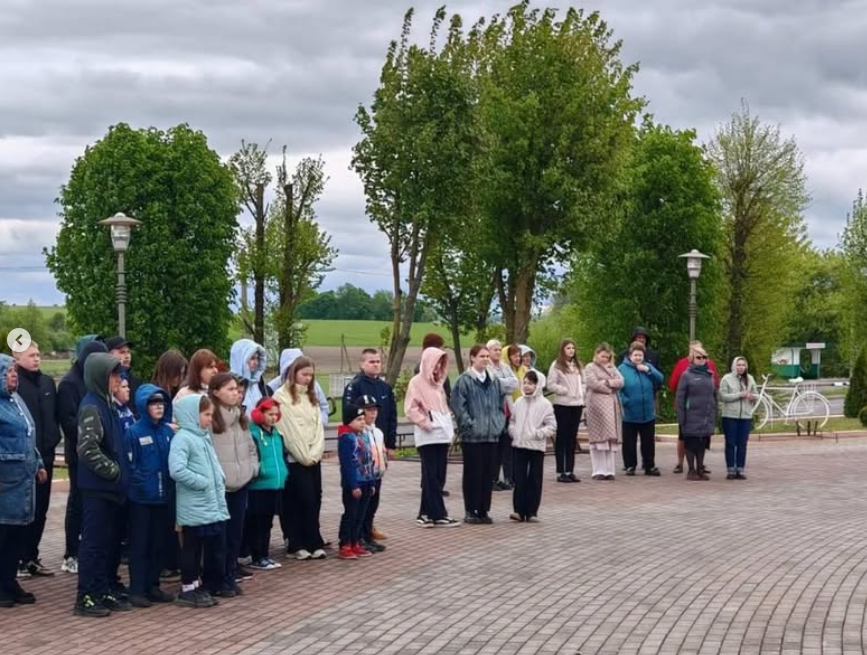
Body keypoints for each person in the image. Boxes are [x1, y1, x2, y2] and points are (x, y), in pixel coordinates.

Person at [74, 352, 131, 617]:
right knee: (93, 544)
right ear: (99, 376)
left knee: (107, 544)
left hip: (110, 490)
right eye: (112, 374)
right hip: (98, 489)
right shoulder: (91, 406)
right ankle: (86, 596)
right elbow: (87, 449)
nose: (118, 379)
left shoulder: (106, 404)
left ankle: (102, 588)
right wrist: (114, 472)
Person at [168, 394, 229, 609]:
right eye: (206, 414)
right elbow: (176, 469)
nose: (210, 419)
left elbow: (213, 463)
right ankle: (187, 587)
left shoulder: (202, 436)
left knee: (202, 547)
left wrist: (219, 478)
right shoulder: (183, 438)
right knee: (191, 547)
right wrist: (201, 482)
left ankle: (196, 584)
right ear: (192, 415)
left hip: (207, 503)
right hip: (194, 504)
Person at [122, 384, 177, 607]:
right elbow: (129, 464)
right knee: (140, 545)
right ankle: (137, 588)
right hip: (141, 500)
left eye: (161, 403)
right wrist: (140, 486)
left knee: (158, 544)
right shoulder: (134, 432)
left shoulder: (166, 432)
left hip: (163, 498)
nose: (159, 407)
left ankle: (153, 585)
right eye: (153, 403)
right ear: (144, 406)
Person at [57, 338, 108, 574]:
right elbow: (67, 420)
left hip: (96, 450)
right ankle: (71, 552)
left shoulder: (93, 381)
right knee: (77, 503)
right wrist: (90, 438)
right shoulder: (69, 383)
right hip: (79, 454)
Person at [0, 354, 47, 608]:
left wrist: (38, 464)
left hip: (22, 483)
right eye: (8, 372)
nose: (13, 375)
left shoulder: (16, 401)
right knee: (3, 534)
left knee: (17, 535)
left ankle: (9, 582)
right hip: (4, 484)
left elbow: (29, 435)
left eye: (14, 371)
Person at [12, 342, 59, 578]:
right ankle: (18, 558)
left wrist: (52, 441)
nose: (37, 359)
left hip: (46, 456)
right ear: (17, 357)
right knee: (23, 511)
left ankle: (31, 556)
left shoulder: (47, 383)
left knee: (41, 509)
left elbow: (54, 416)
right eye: (31, 355)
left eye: (39, 354)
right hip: (24, 460)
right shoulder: (15, 385)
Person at [208, 372, 259, 596]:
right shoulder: (211, 419)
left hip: (241, 484)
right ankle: (215, 579)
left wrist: (252, 469)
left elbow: (250, 447)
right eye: (230, 389)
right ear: (216, 392)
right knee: (219, 536)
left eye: (237, 390)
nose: (236, 393)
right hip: (221, 486)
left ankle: (229, 575)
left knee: (235, 535)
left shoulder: (240, 417)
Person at [274, 356, 327, 560]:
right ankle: (296, 543)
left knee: (315, 499)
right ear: (294, 373)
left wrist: (316, 452)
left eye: (311, 375)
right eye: (304, 374)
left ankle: (314, 540)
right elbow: (289, 431)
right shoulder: (282, 397)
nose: (307, 379)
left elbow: (317, 426)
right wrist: (305, 455)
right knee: (298, 500)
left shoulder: (310, 397)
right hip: (296, 459)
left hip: (313, 457)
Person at [451, 344, 506, 525]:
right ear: (473, 358)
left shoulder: (495, 381)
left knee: (488, 473)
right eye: (481, 356)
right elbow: (459, 406)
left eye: (486, 356)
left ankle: (484, 509)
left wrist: (498, 423)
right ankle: (470, 509)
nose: (485, 359)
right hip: (473, 437)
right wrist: (470, 425)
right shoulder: (464, 380)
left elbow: (500, 405)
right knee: (473, 473)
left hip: (491, 435)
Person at [405, 347, 458, 528]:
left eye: (441, 364)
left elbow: (443, 407)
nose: (437, 367)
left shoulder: (439, 384)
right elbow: (410, 408)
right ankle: (438, 513)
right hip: (428, 436)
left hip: (441, 436)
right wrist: (426, 423)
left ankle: (425, 513)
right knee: (431, 476)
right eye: (435, 363)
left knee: (438, 475)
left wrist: (447, 424)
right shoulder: (416, 382)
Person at [246, 398, 288, 570]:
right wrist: (260, 470)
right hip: (259, 486)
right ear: (259, 414)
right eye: (269, 414)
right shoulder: (253, 434)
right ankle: (257, 556)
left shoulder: (277, 434)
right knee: (257, 522)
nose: (273, 417)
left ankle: (264, 554)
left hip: (275, 485)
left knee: (268, 522)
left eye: (275, 414)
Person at [509, 370, 556, 523]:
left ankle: (532, 511)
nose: (527, 386)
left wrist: (537, 433)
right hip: (520, 445)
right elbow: (513, 421)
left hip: (536, 446)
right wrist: (514, 432)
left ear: (538, 385)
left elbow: (551, 426)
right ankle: (518, 510)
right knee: (520, 478)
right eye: (525, 383)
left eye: (531, 383)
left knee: (535, 478)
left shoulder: (545, 404)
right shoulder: (518, 402)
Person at [669, 341, 720, 474]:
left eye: (704, 357)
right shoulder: (686, 374)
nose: (702, 360)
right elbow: (679, 394)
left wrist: (713, 412)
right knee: (689, 441)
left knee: (702, 442)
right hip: (690, 415)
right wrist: (682, 416)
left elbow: (715, 392)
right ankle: (689, 469)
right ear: (691, 358)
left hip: (705, 415)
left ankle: (700, 469)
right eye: (698, 357)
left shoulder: (709, 374)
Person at [618, 342, 664, 476]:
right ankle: (630, 465)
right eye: (635, 355)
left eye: (640, 355)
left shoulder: (647, 366)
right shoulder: (622, 369)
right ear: (630, 355)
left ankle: (649, 466)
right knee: (629, 442)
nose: (638, 357)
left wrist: (648, 370)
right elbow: (618, 390)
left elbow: (660, 379)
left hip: (647, 412)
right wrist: (626, 401)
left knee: (648, 442)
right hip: (630, 412)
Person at [336, 403, 376, 560]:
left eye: (362, 419)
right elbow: (348, 464)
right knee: (351, 514)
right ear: (349, 422)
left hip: (366, 480)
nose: (362, 422)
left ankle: (355, 542)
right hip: (354, 483)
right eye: (358, 419)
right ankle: (345, 543)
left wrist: (372, 481)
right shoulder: (347, 438)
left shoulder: (364, 435)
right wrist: (353, 485)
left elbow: (369, 460)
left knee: (361, 514)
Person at [343, 349, 398, 454]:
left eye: (378, 362)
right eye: (372, 362)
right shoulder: (354, 387)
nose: (376, 365)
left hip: (381, 442)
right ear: (362, 365)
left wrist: (391, 444)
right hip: (361, 444)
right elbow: (349, 418)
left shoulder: (386, 388)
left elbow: (392, 417)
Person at [546, 339, 585, 483]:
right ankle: (560, 471)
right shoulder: (556, 365)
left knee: (571, 438)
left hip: (577, 404)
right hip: (563, 405)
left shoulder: (578, 365)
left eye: (573, 348)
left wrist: (582, 392)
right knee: (562, 437)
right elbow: (550, 384)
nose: (571, 351)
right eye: (568, 348)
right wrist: (563, 390)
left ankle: (570, 470)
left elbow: (584, 382)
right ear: (563, 349)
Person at [584, 343, 625, 481]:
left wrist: (607, 382)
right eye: (602, 356)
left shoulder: (612, 367)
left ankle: (609, 470)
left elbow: (621, 381)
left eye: (607, 357)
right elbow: (592, 383)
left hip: (611, 406)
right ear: (596, 355)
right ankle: (598, 470)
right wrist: (610, 387)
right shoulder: (590, 367)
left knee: (609, 437)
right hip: (596, 405)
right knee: (598, 438)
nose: (605, 359)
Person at [487, 339, 519, 491]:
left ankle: (504, 478)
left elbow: (515, 383)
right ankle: (492, 478)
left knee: (505, 446)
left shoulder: (505, 366)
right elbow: (491, 383)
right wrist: (504, 384)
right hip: (494, 412)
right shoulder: (486, 367)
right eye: (495, 350)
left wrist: (501, 384)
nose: (498, 352)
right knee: (494, 447)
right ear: (488, 351)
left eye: (500, 350)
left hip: (507, 410)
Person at [268, 349, 330, 425]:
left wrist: (320, 423)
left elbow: (323, 407)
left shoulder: (313, 385)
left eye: (310, 375)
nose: (308, 378)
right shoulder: (274, 387)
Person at [720, 356, 758, 480]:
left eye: (743, 365)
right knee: (730, 443)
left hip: (745, 416)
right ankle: (730, 469)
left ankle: (740, 469)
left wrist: (752, 397)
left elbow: (756, 395)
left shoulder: (750, 378)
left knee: (742, 444)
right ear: (734, 366)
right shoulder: (726, 379)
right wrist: (739, 395)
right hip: (730, 415)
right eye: (738, 365)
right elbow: (723, 396)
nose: (741, 367)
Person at [358, 395, 387, 552]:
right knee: (364, 507)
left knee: (372, 507)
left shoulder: (378, 432)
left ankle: (368, 536)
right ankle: (360, 537)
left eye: (375, 409)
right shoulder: (360, 432)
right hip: (365, 477)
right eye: (369, 410)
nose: (373, 413)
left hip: (377, 475)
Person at [229, 339, 269, 416]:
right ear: (241, 358)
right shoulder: (228, 384)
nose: (256, 363)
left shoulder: (257, 383)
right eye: (252, 358)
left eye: (257, 358)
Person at [106, 336, 144, 407]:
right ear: (110, 355)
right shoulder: (105, 382)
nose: (127, 356)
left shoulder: (136, 381)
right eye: (122, 352)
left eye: (128, 352)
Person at [413, 333, 452, 401]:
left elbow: (447, 394)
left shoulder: (441, 369)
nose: (443, 351)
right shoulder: (421, 369)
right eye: (441, 348)